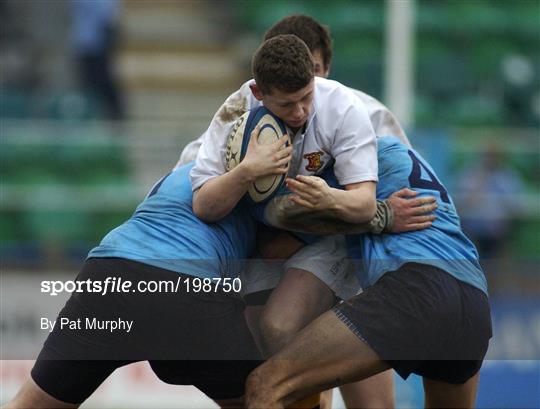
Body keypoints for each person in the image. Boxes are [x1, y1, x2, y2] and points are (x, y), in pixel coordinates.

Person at [245, 136, 493, 409]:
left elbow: (278, 248)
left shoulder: (352, 161)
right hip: (475, 302)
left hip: (416, 289)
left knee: (266, 385)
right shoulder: (402, 154)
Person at [3, 163, 261, 409]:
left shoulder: (190, 167)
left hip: (110, 269)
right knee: (262, 394)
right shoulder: (268, 176)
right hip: (185, 284)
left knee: (33, 404)